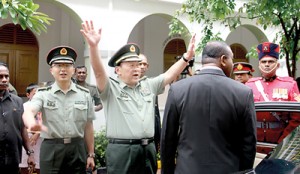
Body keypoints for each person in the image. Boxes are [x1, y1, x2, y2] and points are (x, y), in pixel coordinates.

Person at [80, 20, 195, 174]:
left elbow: (169, 74)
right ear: (118, 70)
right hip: (122, 151)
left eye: (138, 64)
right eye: (131, 65)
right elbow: (99, 72)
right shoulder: (111, 88)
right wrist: (93, 47)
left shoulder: (148, 85)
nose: (137, 69)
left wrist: (186, 58)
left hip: (148, 150)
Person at [160, 41, 257, 174]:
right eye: (232, 59)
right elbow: (249, 143)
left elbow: (167, 139)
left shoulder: (177, 89)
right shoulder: (243, 92)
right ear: (223, 59)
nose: (232, 65)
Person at [22, 46, 96, 174]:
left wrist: (91, 154)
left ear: (73, 70)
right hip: (51, 148)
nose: (63, 69)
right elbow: (29, 110)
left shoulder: (85, 94)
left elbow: (88, 125)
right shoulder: (43, 93)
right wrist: (31, 123)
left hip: (77, 147)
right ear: (51, 70)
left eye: (67, 65)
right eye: (58, 65)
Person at [245, 42, 300, 154]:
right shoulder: (250, 85)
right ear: (259, 64)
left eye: (271, 61)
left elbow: (297, 118)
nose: (267, 65)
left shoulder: (290, 84)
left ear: (277, 64)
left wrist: (282, 141)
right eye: (264, 62)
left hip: (280, 143)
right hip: (255, 144)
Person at [0, 62, 35, 173]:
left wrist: (30, 153)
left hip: (12, 159)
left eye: (6, 76)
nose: (4, 79)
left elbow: (22, 128)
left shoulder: (17, 101)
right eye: (0, 77)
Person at [139, 54, 161, 153]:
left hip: (149, 139)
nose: (142, 66)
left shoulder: (150, 84)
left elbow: (155, 113)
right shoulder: (127, 84)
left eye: (145, 64)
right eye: (140, 64)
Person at [20, 83, 42, 174]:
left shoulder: (43, 106)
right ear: (28, 95)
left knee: (38, 162)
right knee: (23, 162)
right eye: (34, 94)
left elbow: (44, 121)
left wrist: (37, 133)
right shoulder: (23, 106)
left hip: (39, 137)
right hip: (26, 136)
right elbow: (21, 122)